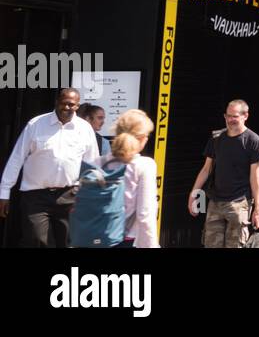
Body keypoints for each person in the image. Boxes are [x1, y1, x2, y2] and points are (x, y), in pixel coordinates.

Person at [0, 88, 99, 247]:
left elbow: (92, 164)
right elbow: (16, 158)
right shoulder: (36, 124)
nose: (67, 108)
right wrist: (4, 192)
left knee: (67, 242)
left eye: (72, 105)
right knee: (36, 241)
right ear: (56, 102)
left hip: (69, 196)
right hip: (35, 196)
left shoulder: (84, 129)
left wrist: (92, 196)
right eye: (64, 103)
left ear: (77, 106)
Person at [187, 99, 259, 248]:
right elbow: (206, 169)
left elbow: (255, 178)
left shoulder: (253, 140)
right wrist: (194, 194)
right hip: (215, 202)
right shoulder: (217, 138)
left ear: (245, 116)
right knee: (210, 245)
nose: (230, 120)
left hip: (239, 203)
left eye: (234, 116)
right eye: (227, 116)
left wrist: (258, 209)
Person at [96, 109, 159, 248]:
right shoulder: (144, 165)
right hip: (125, 239)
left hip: (94, 236)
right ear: (142, 138)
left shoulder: (97, 162)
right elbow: (145, 213)